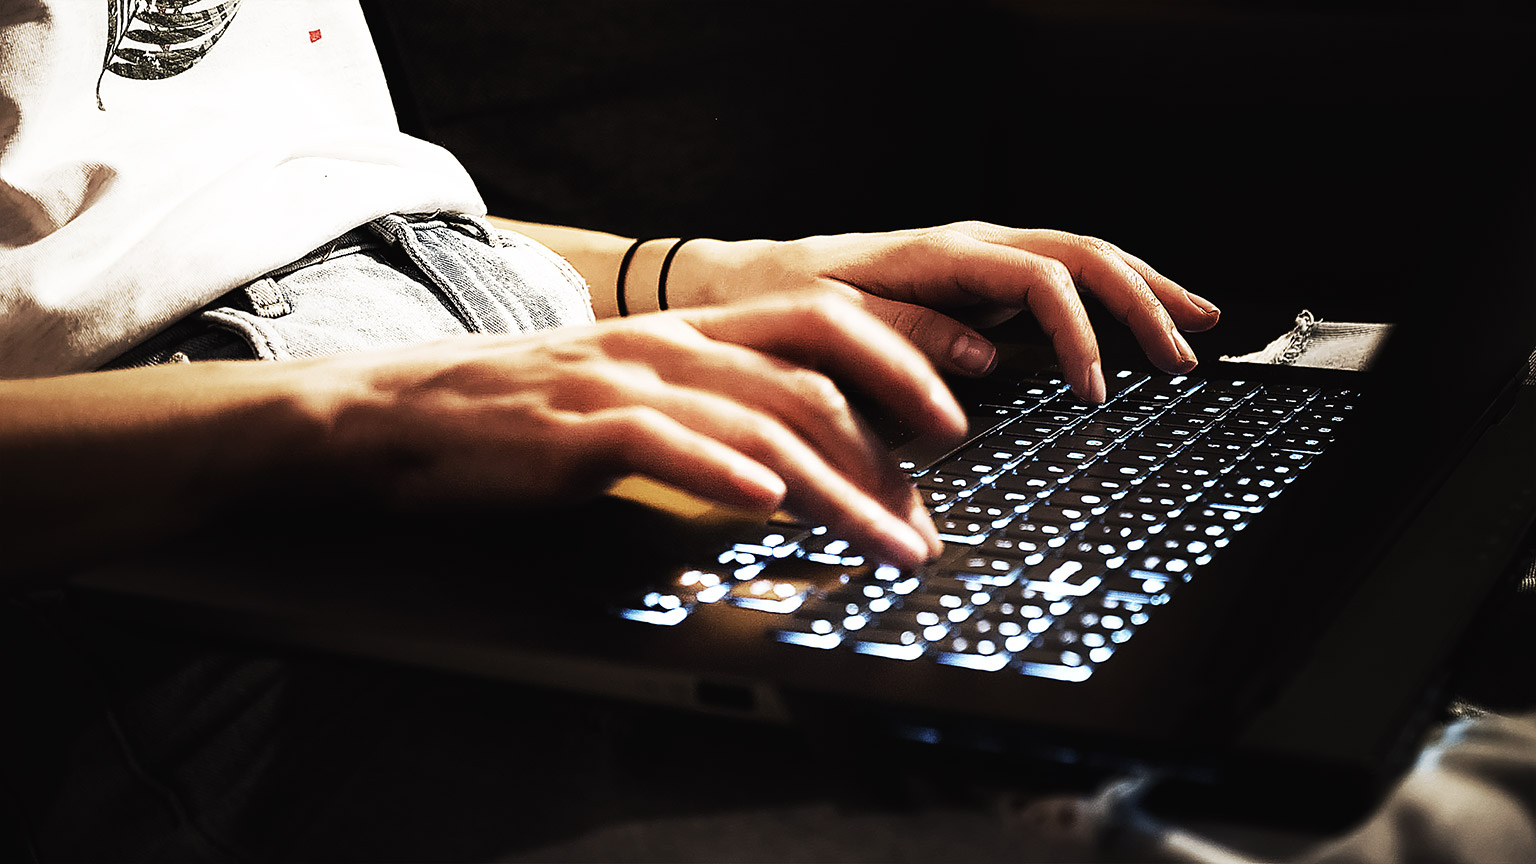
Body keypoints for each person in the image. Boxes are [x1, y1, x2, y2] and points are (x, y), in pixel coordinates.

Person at [0, 0, 1220, 859]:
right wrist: (360, 408)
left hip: (486, 406)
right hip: (153, 570)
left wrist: (710, 275)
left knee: (1140, 691)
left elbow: (300, 205)